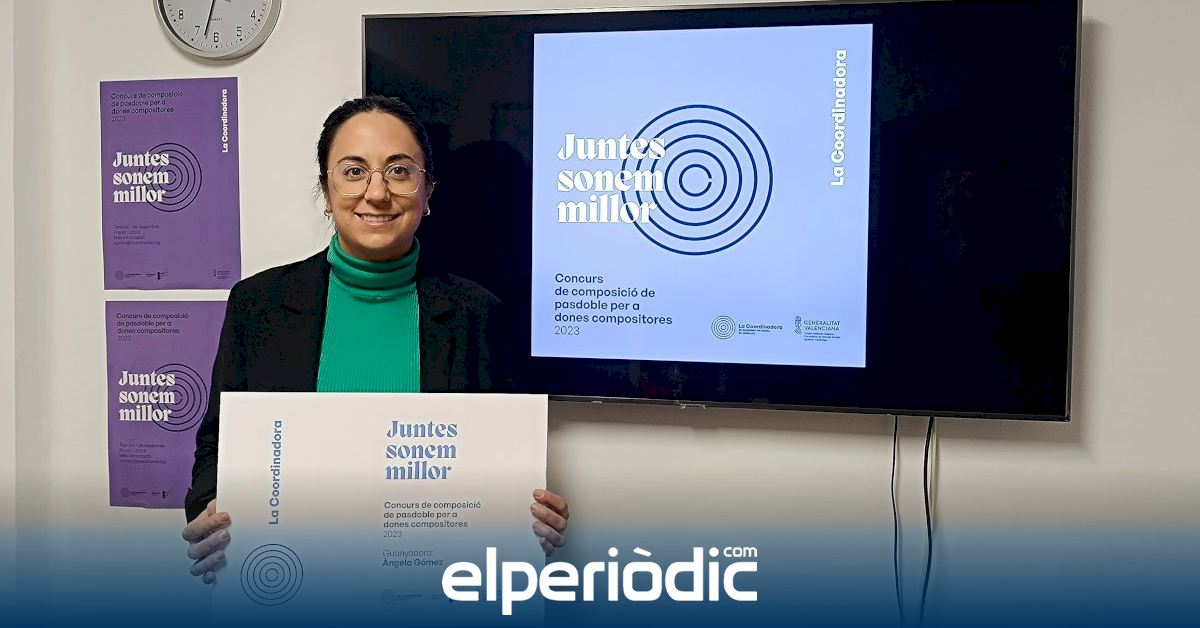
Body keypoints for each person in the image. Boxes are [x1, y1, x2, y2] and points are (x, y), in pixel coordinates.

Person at [180, 95, 569, 584]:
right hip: (292, 591)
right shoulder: (258, 304)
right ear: (326, 189)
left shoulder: (479, 314)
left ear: (428, 191)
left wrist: (530, 523)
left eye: (400, 171)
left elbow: (501, 466)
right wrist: (210, 510)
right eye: (354, 171)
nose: (377, 193)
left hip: (430, 593)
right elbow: (218, 445)